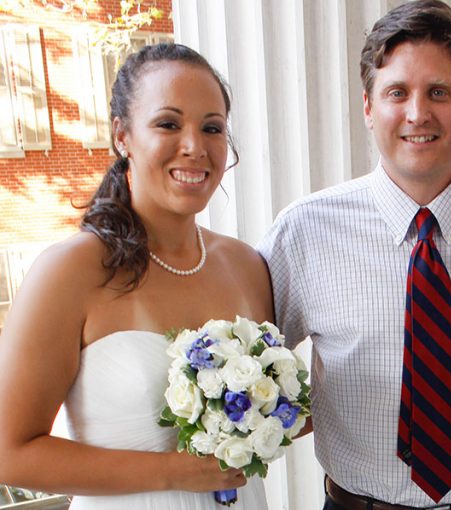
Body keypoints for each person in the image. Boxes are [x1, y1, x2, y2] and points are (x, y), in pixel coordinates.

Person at [258, 1, 451, 508]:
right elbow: (250, 366)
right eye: (397, 92)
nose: (418, 113)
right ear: (369, 107)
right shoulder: (303, 233)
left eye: (438, 91)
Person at [0, 43, 272, 509]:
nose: (194, 146)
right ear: (122, 136)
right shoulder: (70, 271)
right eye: (168, 124)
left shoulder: (246, 265)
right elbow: (9, 452)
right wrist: (176, 473)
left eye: (212, 128)